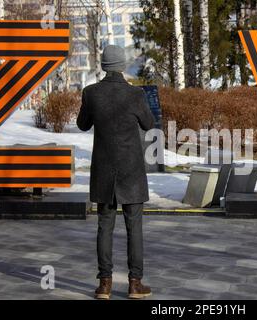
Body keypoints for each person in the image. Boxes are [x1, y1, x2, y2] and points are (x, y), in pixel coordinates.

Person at [77, 45, 155, 300]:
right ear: (122, 65)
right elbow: (148, 124)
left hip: (104, 171)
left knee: (104, 226)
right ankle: (135, 284)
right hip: (131, 171)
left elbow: (82, 124)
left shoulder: (91, 93)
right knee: (134, 228)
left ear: (103, 65)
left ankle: (105, 285)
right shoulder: (135, 94)